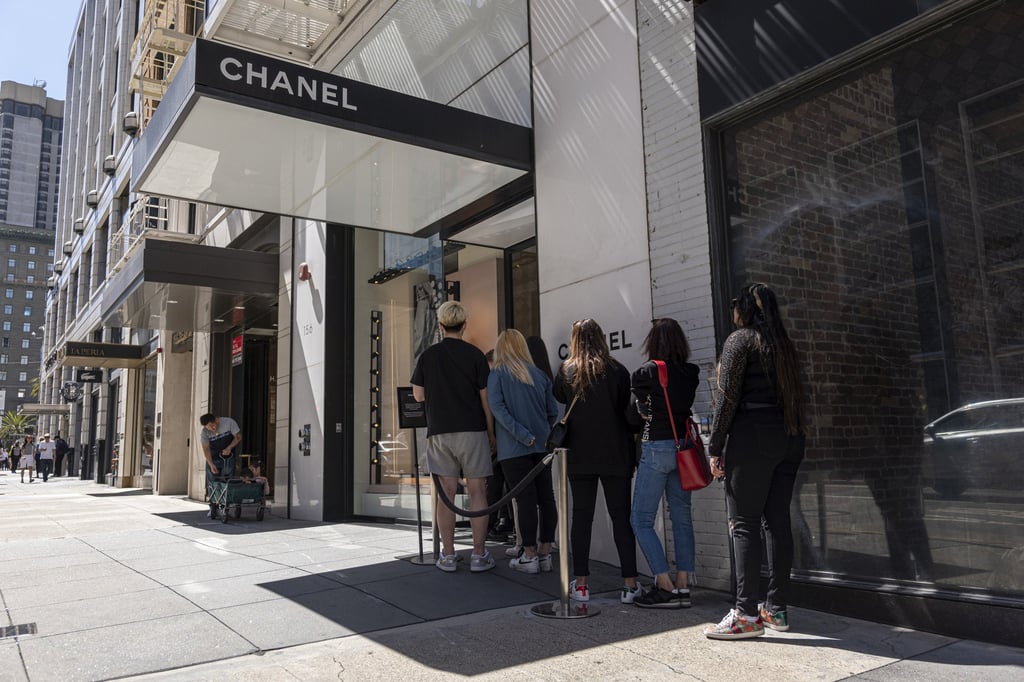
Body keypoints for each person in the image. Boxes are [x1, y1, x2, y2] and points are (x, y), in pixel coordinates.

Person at [704, 283, 806, 640]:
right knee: (777, 521)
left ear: (745, 309)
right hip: (790, 439)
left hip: (752, 439)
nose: (733, 309)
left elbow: (727, 399)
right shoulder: (784, 346)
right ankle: (776, 609)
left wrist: (715, 447)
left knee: (744, 522)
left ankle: (745, 615)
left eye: (735, 303)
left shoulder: (740, 340)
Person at [553, 319, 640, 603]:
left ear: (574, 339)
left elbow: (558, 395)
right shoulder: (617, 370)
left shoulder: (567, 370)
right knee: (621, 518)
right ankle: (629, 583)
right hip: (616, 454)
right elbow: (626, 413)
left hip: (579, 455)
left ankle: (581, 584)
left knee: (582, 517)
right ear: (602, 338)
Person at [411, 300, 497, 573]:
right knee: (477, 491)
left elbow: (418, 395)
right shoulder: (476, 356)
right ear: (464, 325)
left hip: (439, 432)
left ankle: (447, 555)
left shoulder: (428, 356)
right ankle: (479, 554)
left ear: (440, 325)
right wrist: (490, 431)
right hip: (472, 430)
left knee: (445, 495)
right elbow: (486, 398)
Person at [629, 318, 701, 608]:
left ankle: (664, 583)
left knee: (641, 519)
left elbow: (639, 408)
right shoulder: (691, 372)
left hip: (657, 447)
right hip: (683, 448)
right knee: (681, 517)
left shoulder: (647, 372)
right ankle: (683, 583)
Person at [487, 329, 560, 574]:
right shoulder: (539, 375)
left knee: (525, 500)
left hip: (514, 448)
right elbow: (553, 411)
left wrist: (521, 434)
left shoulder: (497, 374)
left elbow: (497, 408)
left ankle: (529, 554)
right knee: (546, 498)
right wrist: (541, 433)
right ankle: (545, 552)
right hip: (542, 446)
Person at [199, 413, 242, 519]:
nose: (211, 429)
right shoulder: (205, 432)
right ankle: (213, 507)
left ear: (216, 420)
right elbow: (206, 448)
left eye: (212, 426)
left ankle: (224, 507)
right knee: (212, 483)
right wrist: (210, 463)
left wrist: (229, 448)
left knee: (227, 482)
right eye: (208, 427)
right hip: (213, 459)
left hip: (228, 457)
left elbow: (238, 437)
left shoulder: (229, 422)